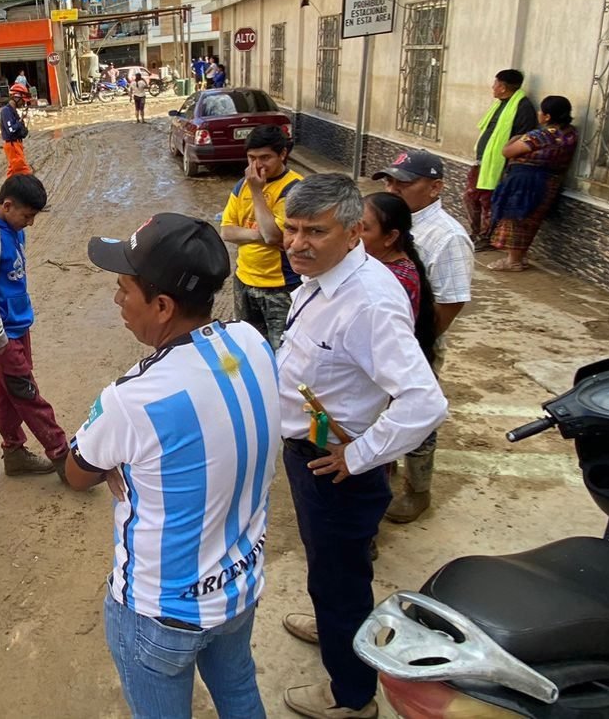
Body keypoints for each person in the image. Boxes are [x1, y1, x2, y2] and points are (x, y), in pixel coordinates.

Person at [66, 213, 280, 718]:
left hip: (161, 613)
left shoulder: (134, 398)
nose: (118, 300)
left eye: (123, 289)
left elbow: (76, 474)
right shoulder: (249, 342)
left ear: (162, 306)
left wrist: (117, 464)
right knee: (240, 692)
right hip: (237, 587)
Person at [273, 175, 448, 719]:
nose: (297, 243)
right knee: (331, 568)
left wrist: (360, 453)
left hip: (337, 468)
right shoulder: (324, 278)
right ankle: (332, 626)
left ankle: (352, 698)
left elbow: (424, 401)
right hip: (311, 454)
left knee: (342, 580)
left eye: (314, 232)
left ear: (353, 234)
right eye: (292, 229)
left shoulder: (368, 302)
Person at [370, 150, 472, 523]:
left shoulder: (446, 237)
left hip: (415, 344)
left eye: (404, 183)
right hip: (382, 343)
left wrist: (418, 345)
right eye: (389, 181)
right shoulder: (386, 222)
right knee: (379, 411)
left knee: (417, 413)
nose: (393, 189)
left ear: (435, 188)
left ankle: (418, 490)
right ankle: (386, 466)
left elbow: (451, 301)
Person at [0, 174, 70, 478]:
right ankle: (63, 456)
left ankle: (14, 452)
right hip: (1, 333)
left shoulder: (11, 227)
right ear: (7, 205)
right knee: (26, 392)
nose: (30, 223)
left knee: (8, 390)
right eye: (27, 216)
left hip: (17, 325)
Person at [220, 125, 306, 351]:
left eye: (265, 157)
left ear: (283, 154)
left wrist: (257, 192)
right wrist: (262, 234)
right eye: (251, 158)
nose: (257, 165)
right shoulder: (242, 185)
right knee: (250, 348)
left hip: (281, 286)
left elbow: (272, 235)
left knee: (284, 352)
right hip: (244, 280)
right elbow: (227, 231)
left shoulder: (295, 189)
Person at [487, 95, 579, 271]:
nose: (538, 113)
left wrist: (516, 138)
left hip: (526, 181)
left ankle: (512, 261)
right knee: (531, 220)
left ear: (547, 116)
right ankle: (518, 258)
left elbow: (507, 151)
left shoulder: (540, 136)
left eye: (541, 111)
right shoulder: (570, 133)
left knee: (517, 218)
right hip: (549, 181)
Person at [361, 193, 438, 365]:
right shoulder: (373, 265)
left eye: (363, 229)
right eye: (352, 225)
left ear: (390, 237)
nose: (352, 233)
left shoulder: (392, 281)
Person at [467, 69, 538, 250]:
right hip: (482, 161)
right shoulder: (500, 104)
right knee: (470, 197)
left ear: (503, 87)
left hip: (499, 165)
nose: (493, 87)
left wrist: (508, 165)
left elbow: (522, 138)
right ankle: (475, 233)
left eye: (496, 84)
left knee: (488, 202)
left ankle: (486, 237)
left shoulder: (523, 108)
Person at [1, 82, 33, 177]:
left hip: (16, 144)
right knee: (24, 171)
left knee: (13, 172)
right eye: (22, 100)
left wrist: (22, 121)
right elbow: (11, 130)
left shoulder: (13, 111)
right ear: (16, 97)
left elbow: (20, 131)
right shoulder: (6, 111)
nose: (23, 103)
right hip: (12, 145)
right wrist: (19, 122)